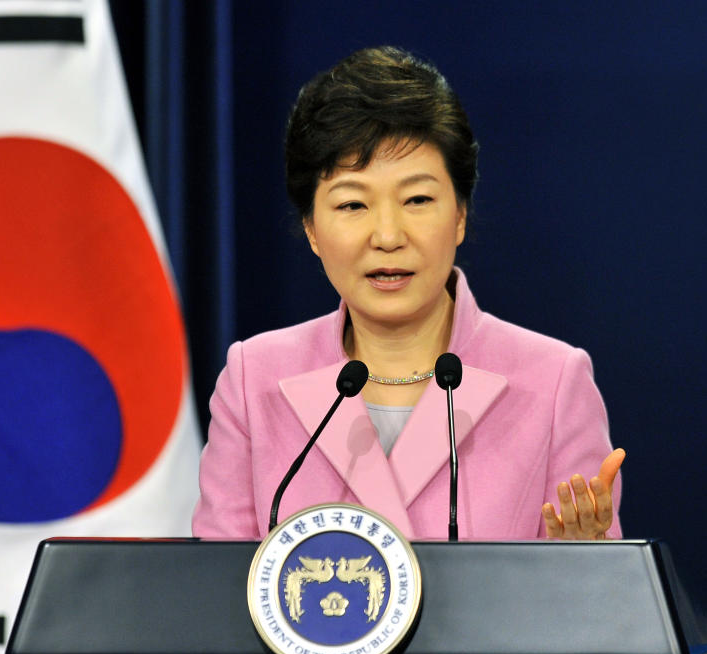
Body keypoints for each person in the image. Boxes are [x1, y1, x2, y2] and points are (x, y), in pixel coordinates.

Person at [192, 46, 623, 541]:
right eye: (353, 204)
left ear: (460, 214)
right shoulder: (253, 380)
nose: (388, 235)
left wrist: (584, 570)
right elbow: (218, 592)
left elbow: (596, 606)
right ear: (311, 228)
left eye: (417, 199)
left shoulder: (553, 383)